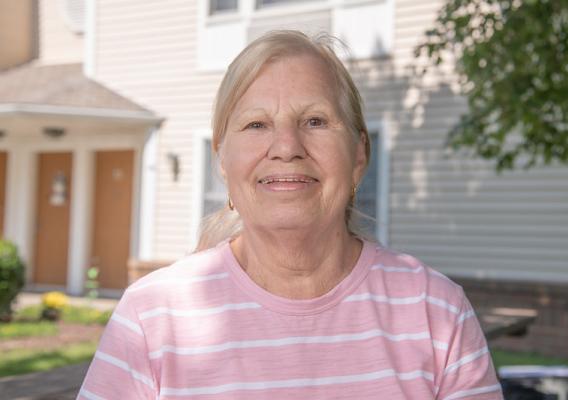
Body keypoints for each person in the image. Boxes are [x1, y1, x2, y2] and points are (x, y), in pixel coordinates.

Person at [78, 30, 503, 400]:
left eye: (315, 121)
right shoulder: (152, 315)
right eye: (257, 125)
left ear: (359, 154)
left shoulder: (435, 311)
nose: (286, 146)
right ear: (222, 160)